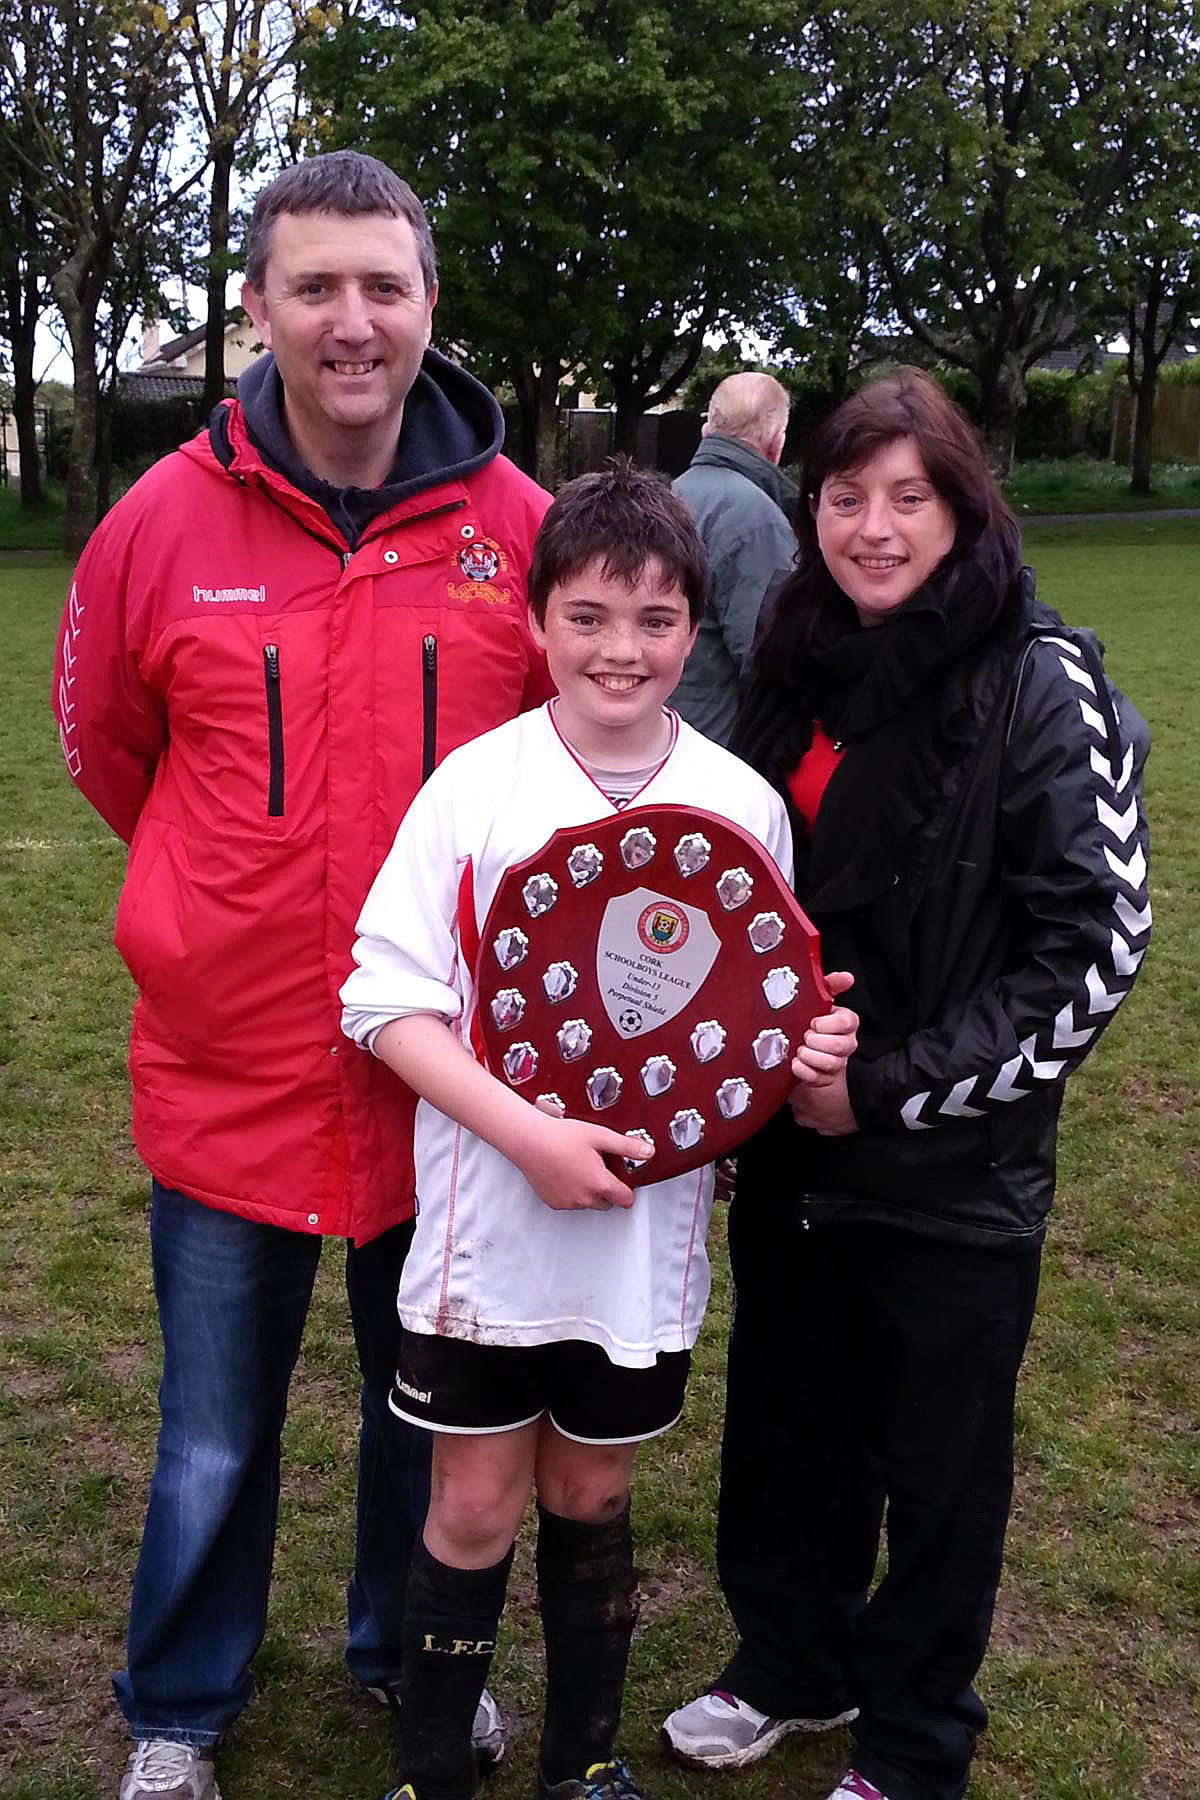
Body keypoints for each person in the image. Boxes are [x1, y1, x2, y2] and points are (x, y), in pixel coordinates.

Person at [51, 150, 553, 1800]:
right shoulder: (156, 527)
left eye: (383, 287)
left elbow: (573, 769)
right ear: (256, 306)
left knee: (426, 1420)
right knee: (212, 1434)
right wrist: (213, 909)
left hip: (443, 1087)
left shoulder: (517, 534)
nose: (352, 321)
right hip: (232, 1072)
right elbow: (113, 750)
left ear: (429, 306)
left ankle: (406, 1657)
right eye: (315, 287)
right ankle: (178, 1711)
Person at [661, 369, 1151, 1800]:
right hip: (797, 1155)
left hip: (949, 1168)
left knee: (938, 1472)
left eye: (907, 499)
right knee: (789, 1427)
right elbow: (736, 892)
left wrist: (880, 1094)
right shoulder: (797, 657)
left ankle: (913, 1739)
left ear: (962, 504)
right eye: (844, 497)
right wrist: (743, 1082)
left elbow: (1093, 950)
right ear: (808, 506)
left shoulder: (1037, 676)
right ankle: (791, 1666)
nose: (873, 528)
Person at [338, 461, 860, 1800]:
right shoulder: (476, 790)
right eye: (587, 616)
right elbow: (384, 1001)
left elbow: (749, 1030)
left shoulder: (742, 809)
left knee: (591, 1501)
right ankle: (432, 1774)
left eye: (652, 620)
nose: (619, 651)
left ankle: (581, 1767)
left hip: (638, 1241)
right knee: (470, 1506)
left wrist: (794, 1054)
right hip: (487, 1232)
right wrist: (528, 1138)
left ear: (694, 629)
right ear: (535, 620)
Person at [669, 371, 797, 746]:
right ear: (777, 442)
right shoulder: (759, 521)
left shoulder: (668, 497)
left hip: (662, 736)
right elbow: (769, 660)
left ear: (706, 432)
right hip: (721, 747)